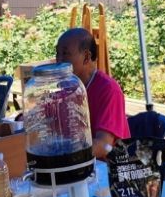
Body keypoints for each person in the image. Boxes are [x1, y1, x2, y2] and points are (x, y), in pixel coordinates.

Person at [56, 28, 130, 159]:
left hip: (106, 166)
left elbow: (103, 146)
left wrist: (64, 157)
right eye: (57, 53)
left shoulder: (108, 89)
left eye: (65, 54)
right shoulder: (67, 87)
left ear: (86, 57)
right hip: (80, 161)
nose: (59, 60)